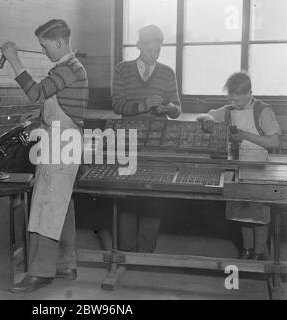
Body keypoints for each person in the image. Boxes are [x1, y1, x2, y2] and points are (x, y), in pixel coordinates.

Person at [1, 19, 89, 293]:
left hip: (62, 145)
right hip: (62, 140)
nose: (43, 51)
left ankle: (39, 274)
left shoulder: (69, 69)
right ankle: (64, 264)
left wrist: (14, 60)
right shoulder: (69, 68)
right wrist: (40, 120)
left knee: (44, 207)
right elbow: (56, 104)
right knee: (61, 204)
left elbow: (35, 92)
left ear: (60, 42)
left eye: (45, 45)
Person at [112, 25, 181, 253]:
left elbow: (178, 110)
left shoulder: (168, 73)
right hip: (128, 140)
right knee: (126, 197)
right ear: (139, 46)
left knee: (154, 197)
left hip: (157, 144)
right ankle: (126, 252)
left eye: (158, 51)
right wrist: (143, 105)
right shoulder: (122, 70)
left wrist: (169, 107)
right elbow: (117, 105)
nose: (154, 55)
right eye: (150, 50)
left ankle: (146, 253)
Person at [197, 71, 280, 260]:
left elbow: (274, 142)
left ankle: (259, 252)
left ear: (248, 93)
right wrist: (209, 120)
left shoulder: (262, 110)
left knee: (258, 214)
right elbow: (204, 115)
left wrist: (244, 135)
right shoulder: (229, 109)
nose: (233, 103)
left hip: (259, 166)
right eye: (230, 98)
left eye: (237, 99)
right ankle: (247, 250)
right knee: (240, 212)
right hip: (236, 163)